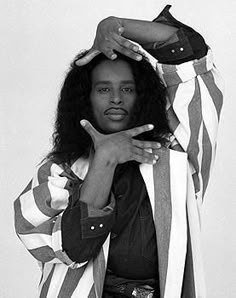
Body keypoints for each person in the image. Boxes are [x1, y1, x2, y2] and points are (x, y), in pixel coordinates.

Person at [14, 5, 223, 298]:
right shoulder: (61, 170)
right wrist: (106, 159)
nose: (115, 98)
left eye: (127, 89)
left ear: (143, 95)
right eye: (103, 89)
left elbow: (190, 57)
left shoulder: (175, 155)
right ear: (85, 100)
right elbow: (73, 248)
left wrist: (116, 26)